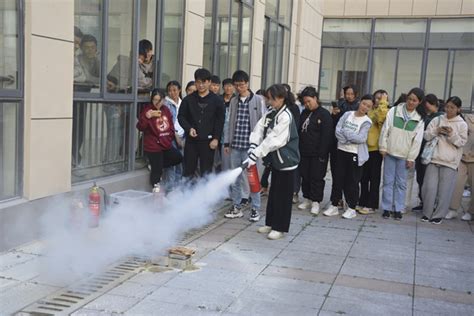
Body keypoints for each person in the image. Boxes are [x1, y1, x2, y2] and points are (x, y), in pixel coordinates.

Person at [247, 84, 300, 240]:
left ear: (281, 98)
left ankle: (280, 228)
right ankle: (270, 223)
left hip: (286, 162)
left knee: (283, 196)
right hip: (275, 161)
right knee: (273, 194)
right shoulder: (272, 112)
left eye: (271, 99)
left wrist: (256, 153)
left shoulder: (286, 116)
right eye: (268, 98)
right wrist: (252, 146)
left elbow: (274, 140)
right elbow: (259, 129)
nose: (269, 102)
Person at [223, 70, 265, 222]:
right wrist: (227, 143)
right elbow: (228, 123)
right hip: (235, 146)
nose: (239, 88)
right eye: (236, 86)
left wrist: (260, 145)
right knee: (235, 177)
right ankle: (236, 207)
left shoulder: (258, 100)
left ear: (247, 83)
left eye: (241, 85)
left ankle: (255, 208)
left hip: (251, 148)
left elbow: (263, 122)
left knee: (252, 178)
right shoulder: (233, 101)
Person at [323, 94, 373, 219]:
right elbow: (338, 130)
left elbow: (361, 138)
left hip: (355, 154)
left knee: (352, 181)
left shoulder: (367, 122)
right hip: (341, 150)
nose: (364, 107)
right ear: (360, 102)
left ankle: (351, 207)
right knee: (338, 179)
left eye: (368, 106)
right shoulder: (347, 115)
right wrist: (348, 137)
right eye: (363, 103)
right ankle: (334, 205)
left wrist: (346, 134)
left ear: (370, 108)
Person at [379, 88, 425, 220]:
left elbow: (417, 141)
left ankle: (398, 208)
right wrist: (383, 147)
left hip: (404, 156)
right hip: (389, 153)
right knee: (387, 181)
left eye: (414, 100)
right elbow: (385, 129)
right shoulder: (394, 111)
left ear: (419, 102)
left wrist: (411, 158)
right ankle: (387, 208)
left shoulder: (419, 119)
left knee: (401, 183)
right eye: (409, 99)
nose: (411, 102)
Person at [421, 96, 468, 224]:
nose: (449, 109)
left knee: (444, 191)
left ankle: (438, 215)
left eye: (452, 107)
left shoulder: (462, 124)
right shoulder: (438, 119)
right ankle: (426, 213)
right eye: (447, 106)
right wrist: (437, 130)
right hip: (434, 158)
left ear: (458, 109)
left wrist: (451, 134)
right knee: (429, 188)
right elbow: (426, 135)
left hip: (450, 162)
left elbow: (461, 142)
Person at [178, 68, 225, 178]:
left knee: (206, 172)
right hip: (191, 141)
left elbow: (220, 120)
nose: (201, 85)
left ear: (209, 82)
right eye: (198, 82)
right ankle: (185, 193)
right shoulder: (188, 100)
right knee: (188, 170)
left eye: (204, 82)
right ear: (195, 82)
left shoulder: (217, 100)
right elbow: (181, 116)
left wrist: (216, 138)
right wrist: (189, 128)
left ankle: (205, 194)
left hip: (209, 142)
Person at [297, 86, 333, 215]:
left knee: (316, 177)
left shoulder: (324, 114)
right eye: (305, 102)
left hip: (318, 153)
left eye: (309, 101)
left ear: (315, 98)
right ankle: (307, 198)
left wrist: (322, 153)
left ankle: (316, 201)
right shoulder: (304, 113)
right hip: (304, 151)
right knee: (305, 176)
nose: (307, 104)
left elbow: (326, 136)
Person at [136, 89, 183, 189]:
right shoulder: (147, 110)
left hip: (165, 143)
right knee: (157, 171)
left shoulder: (165, 109)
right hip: (153, 145)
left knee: (178, 157)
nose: (156, 103)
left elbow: (170, 124)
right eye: (154, 100)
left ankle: (156, 164)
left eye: (159, 100)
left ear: (163, 100)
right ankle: (156, 191)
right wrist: (147, 116)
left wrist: (170, 137)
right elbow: (140, 127)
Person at [357, 90, 389, 214]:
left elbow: (381, 118)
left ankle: (372, 204)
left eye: (381, 98)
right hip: (364, 148)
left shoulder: (383, 111)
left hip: (375, 149)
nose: (378, 100)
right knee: (363, 178)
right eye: (377, 98)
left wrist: (383, 103)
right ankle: (362, 201)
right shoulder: (369, 111)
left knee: (374, 178)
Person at [413, 94, 443, 211]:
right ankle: (423, 201)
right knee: (420, 178)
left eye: (428, 105)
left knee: (429, 180)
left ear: (434, 104)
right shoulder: (424, 116)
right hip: (420, 151)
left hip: (431, 152)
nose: (426, 107)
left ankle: (431, 203)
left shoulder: (440, 117)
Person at [446, 112, 474, 221]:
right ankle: (453, 209)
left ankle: (471, 211)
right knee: (457, 184)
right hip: (462, 157)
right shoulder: (467, 118)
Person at [162, 80, 185, 190]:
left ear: (179, 90)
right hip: (171, 138)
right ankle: (169, 190)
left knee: (180, 164)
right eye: (170, 91)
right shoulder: (165, 104)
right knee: (171, 166)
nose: (172, 93)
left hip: (183, 136)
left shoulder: (183, 102)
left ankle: (178, 189)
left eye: (175, 90)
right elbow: (166, 123)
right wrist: (175, 134)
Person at [282, 83, 302, 204]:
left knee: (293, 168)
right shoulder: (277, 107)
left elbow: (296, 125)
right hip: (279, 143)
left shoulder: (293, 108)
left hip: (291, 142)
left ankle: (294, 192)